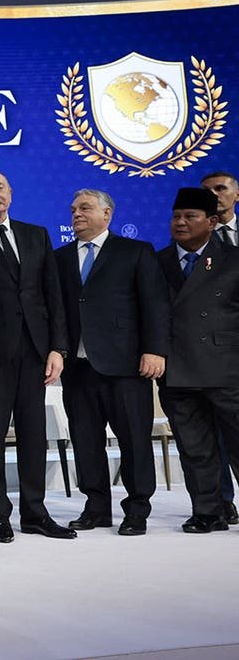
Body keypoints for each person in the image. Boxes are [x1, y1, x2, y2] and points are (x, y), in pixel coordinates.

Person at [0, 171, 75, 542]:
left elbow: (53, 296)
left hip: (34, 351)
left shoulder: (36, 234)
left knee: (34, 435)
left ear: (11, 194)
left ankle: (35, 512)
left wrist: (57, 349)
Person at [55, 189, 169, 536]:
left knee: (134, 438)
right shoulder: (58, 258)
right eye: (73, 209)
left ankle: (137, 509)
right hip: (78, 367)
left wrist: (155, 349)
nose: (76, 214)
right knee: (85, 439)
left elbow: (154, 304)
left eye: (85, 208)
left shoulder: (135, 251)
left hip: (127, 365)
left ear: (107, 214)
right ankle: (96, 507)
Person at [155, 187, 239, 533]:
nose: (181, 223)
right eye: (177, 216)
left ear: (212, 221)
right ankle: (209, 511)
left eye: (191, 216)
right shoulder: (156, 261)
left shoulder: (234, 259)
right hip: (178, 370)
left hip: (227, 368)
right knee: (195, 449)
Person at [198, 171, 239, 521]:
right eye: (207, 192)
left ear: (236, 195)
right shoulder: (193, 245)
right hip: (215, 355)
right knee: (217, 432)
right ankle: (222, 501)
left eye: (221, 189)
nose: (215, 195)